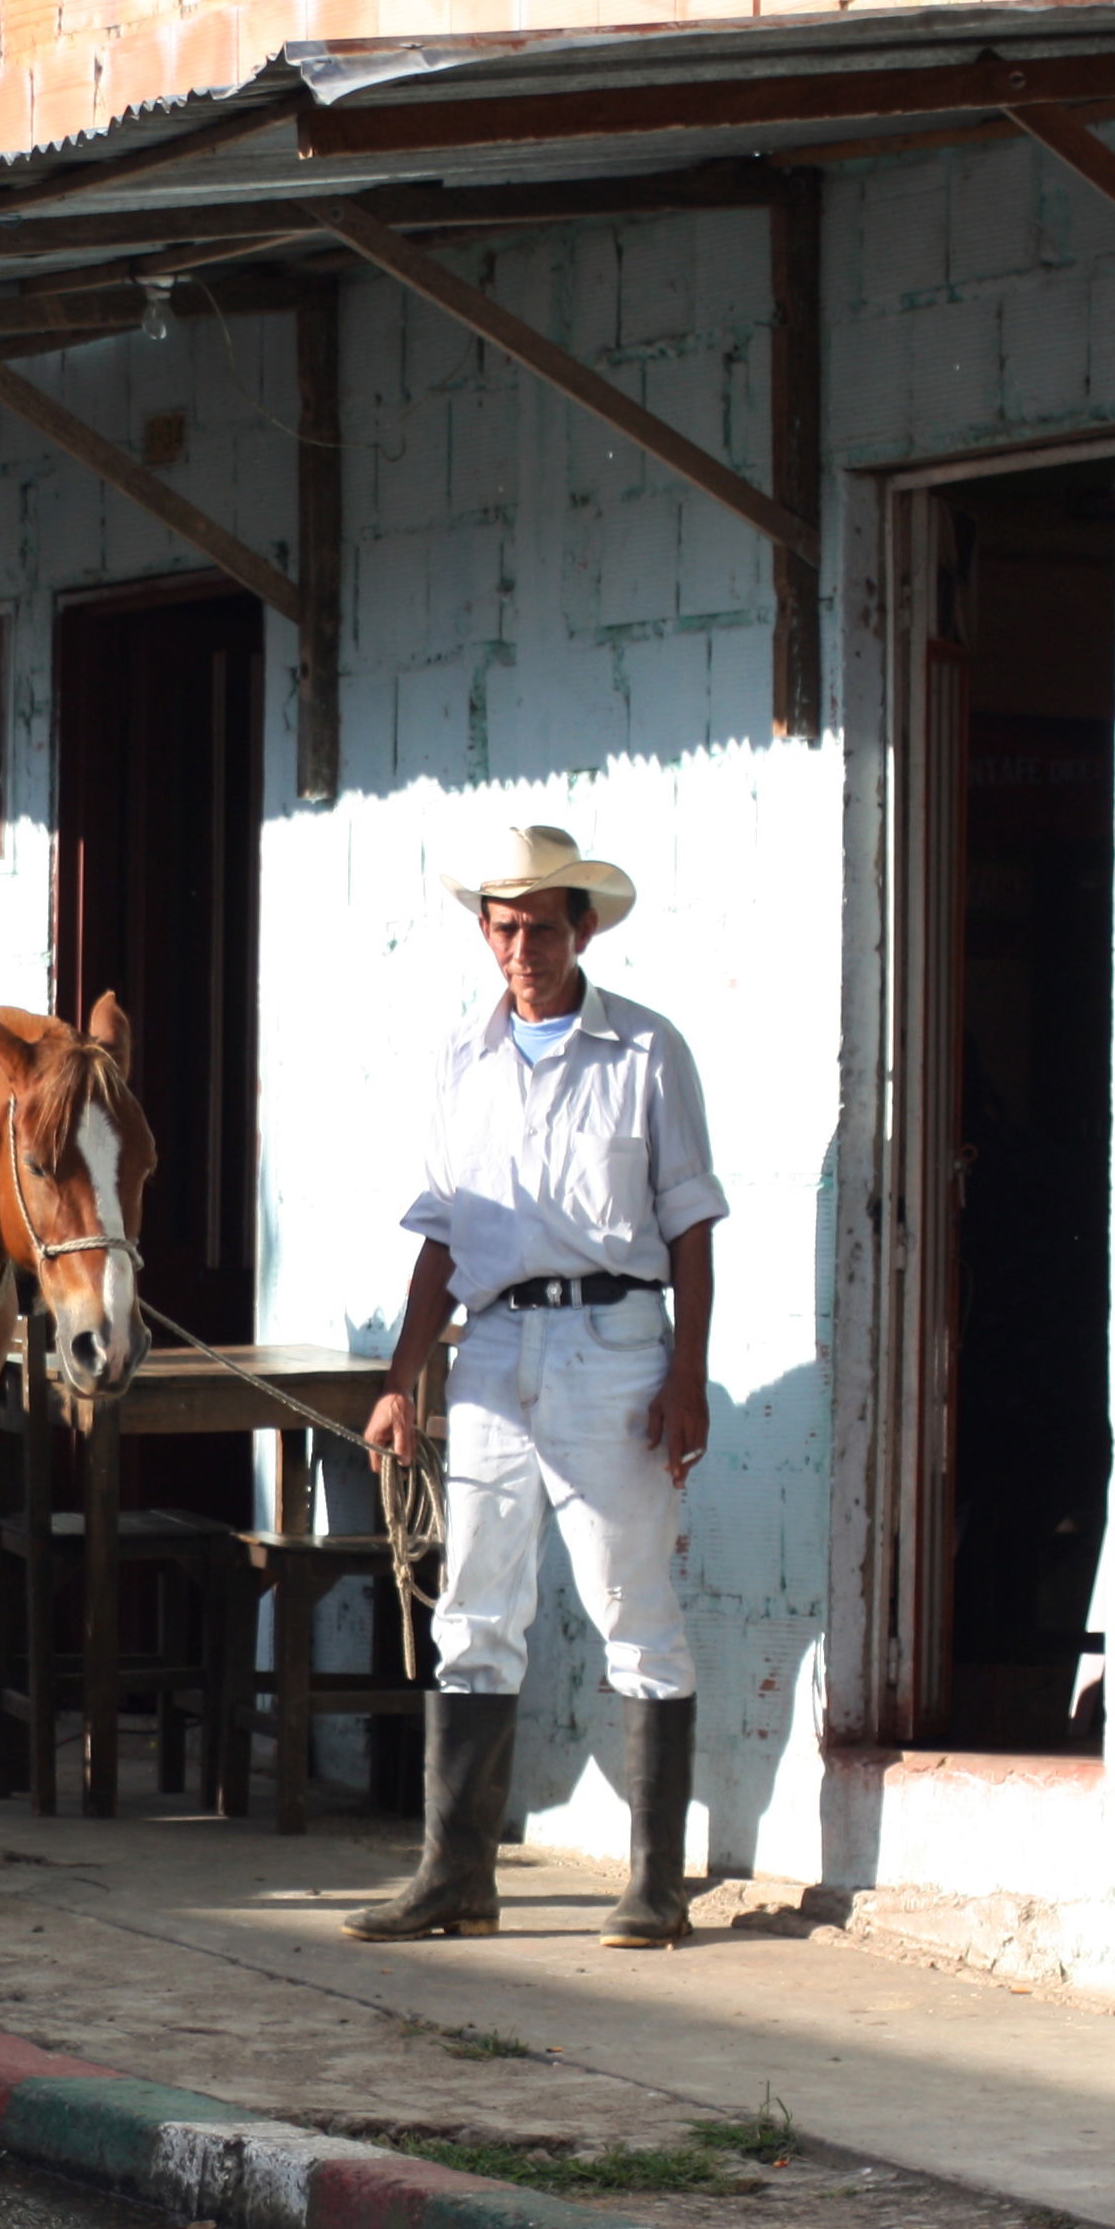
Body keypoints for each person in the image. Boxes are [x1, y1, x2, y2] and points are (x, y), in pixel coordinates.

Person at [352, 825, 722, 1949]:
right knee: (473, 1609)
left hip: (616, 1339)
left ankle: (656, 1884)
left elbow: (693, 1229)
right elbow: (439, 1238)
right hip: (496, 1348)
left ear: (584, 929)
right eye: (506, 929)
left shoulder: (649, 1052)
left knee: (633, 1607)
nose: (524, 950)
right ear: (485, 932)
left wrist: (689, 1376)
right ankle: (455, 1872)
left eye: (544, 929)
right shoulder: (461, 1059)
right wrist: (403, 1376)